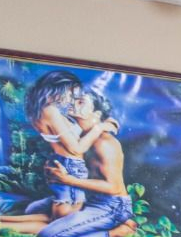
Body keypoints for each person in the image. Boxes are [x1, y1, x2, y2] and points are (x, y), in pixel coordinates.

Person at [37, 90, 132, 237]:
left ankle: (117, 232)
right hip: (88, 198)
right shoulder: (81, 138)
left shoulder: (104, 143)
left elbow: (113, 187)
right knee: (32, 209)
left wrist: (68, 180)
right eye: (74, 100)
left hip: (112, 205)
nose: (72, 103)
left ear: (96, 114)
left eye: (81, 102)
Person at [23, 71, 116, 221]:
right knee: (62, 220)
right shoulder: (51, 111)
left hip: (65, 163)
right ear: (58, 89)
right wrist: (99, 128)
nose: (72, 100)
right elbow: (77, 148)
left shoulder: (42, 111)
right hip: (70, 167)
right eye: (71, 95)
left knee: (55, 219)